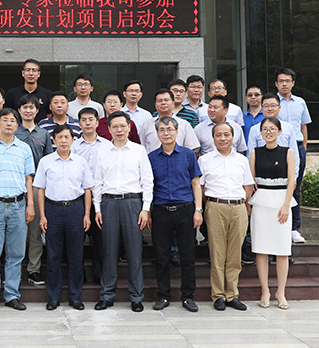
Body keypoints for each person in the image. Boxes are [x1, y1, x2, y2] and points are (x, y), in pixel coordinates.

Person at [93, 111, 153, 312]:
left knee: (134, 252)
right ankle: (106, 295)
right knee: (109, 251)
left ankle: (136, 297)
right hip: (109, 203)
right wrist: (97, 208)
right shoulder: (102, 151)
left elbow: (147, 181)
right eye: (115, 126)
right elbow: (97, 182)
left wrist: (145, 208)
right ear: (109, 129)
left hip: (132, 203)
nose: (119, 130)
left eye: (123, 126)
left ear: (129, 127)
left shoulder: (139, 150)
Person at [0, 108, 36, 312]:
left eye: (12, 120)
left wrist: (30, 204)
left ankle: (12, 295)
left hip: (18, 204)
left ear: (17, 125)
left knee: (16, 254)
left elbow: (29, 179)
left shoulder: (24, 149)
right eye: (5, 120)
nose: (9, 123)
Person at [35, 125, 94, 311]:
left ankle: (75, 297)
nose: (63, 140)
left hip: (75, 209)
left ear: (72, 140)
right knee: (53, 255)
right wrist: (42, 216)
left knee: (76, 255)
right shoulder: (45, 161)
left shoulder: (80, 162)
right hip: (53, 209)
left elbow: (87, 190)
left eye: (67, 137)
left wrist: (87, 215)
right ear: (53, 140)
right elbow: (41, 190)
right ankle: (53, 297)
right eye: (59, 137)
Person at [148, 116, 203, 313]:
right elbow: (148, 186)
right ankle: (163, 295)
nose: (166, 133)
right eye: (162, 130)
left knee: (187, 256)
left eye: (170, 129)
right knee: (161, 256)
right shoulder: (151, 157)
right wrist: (149, 212)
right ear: (157, 134)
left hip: (185, 209)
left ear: (177, 132)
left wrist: (198, 210)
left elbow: (196, 183)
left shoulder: (188, 155)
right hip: (161, 210)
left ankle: (188, 296)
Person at [198, 122, 254, 311]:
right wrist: (208, 206)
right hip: (215, 206)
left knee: (234, 254)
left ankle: (232, 294)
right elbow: (200, 187)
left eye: (226, 135)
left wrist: (243, 203)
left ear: (233, 137)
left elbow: (248, 185)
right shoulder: (205, 160)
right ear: (213, 138)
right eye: (218, 135)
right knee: (217, 252)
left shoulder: (241, 160)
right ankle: (218, 295)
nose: (223, 138)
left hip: (238, 207)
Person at [248, 117, 297, 310]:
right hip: (261, 204)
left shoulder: (288, 152)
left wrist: (286, 205)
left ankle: (281, 292)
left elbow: (292, 180)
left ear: (279, 131)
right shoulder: (255, 152)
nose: (268, 132)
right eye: (265, 129)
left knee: (282, 249)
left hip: (281, 203)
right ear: (260, 132)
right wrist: (248, 204)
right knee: (261, 249)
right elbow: (250, 181)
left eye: (272, 129)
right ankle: (265, 290)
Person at [15, 94, 53, 287]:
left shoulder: (43, 134)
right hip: (15, 185)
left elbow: (49, 162)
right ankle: (13, 270)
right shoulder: (13, 131)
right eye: (25, 107)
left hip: (37, 186)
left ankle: (34, 269)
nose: (28, 110)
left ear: (37, 110)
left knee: (36, 230)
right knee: (14, 230)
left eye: (32, 107)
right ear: (19, 110)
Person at [275, 68, 312, 244]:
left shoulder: (300, 102)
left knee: (295, 187)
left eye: (287, 81)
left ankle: (294, 228)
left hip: (297, 147)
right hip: (277, 149)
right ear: (276, 84)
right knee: (278, 187)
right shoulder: (272, 103)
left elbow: (304, 126)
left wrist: (303, 148)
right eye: (281, 81)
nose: (284, 84)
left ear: (293, 83)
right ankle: (278, 225)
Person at [72, 106, 107, 283]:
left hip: (101, 197)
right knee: (77, 238)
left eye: (91, 119)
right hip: (79, 198)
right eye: (84, 120)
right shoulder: (73, 146)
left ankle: (99, 274)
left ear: (97, 122)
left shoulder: (107, 145)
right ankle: (79, 275)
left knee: (101, 238)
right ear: (79, 124)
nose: (87, 123)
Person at [139, 89, 199, 153]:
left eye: (166, 100)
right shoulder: (147, 124)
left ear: (173, 103)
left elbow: (192, 149)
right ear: (155, 105)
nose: (163, 103)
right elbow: (141, 147)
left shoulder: (184, 124)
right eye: (159, 101)